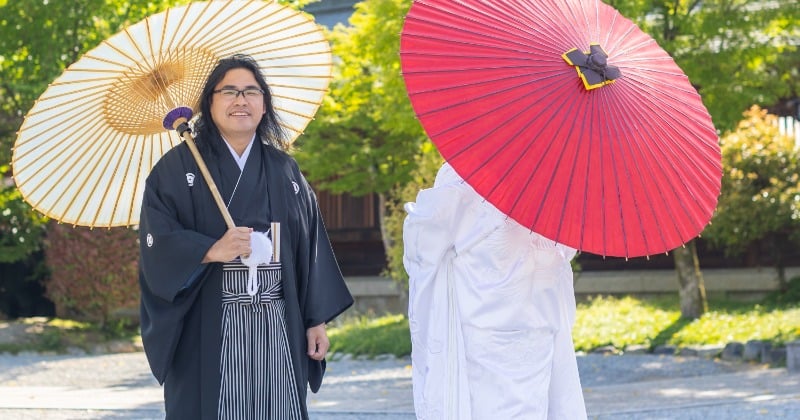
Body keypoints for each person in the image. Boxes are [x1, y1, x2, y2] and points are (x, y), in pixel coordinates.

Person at [138, 54, 353, 420]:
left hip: (277, 320)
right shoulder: (176, 170)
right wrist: (210, 249)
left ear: (264, 103)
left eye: (251, 92)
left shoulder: (284, 169)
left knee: (278, 407)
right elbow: (156, 242)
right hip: (208, 322)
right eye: (230, 91)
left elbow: (308, 246)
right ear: (209, 102)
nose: (241, 101)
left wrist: (315, 320)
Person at [403, 162, 587, 419]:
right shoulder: (557, 179)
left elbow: (424, 243)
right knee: (531, 406)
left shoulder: (467, 170)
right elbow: (563, 252)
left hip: (484, 318)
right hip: (536, 321)